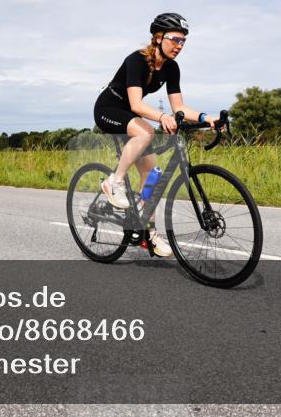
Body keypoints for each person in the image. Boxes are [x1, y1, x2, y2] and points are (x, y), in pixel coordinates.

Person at [93, 13, 217, 258]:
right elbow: (137, 105)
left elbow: (178, 107)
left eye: (183, 41)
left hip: (130, 115)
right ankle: (113, 181)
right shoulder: (137, 61)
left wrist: (205, 118)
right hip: (109, 109)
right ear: (158, 37)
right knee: (147, 131)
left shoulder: (171, 68)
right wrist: (161, 117)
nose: (179, 46)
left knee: (151, 176)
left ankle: (147, 233)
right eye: (175, 40)